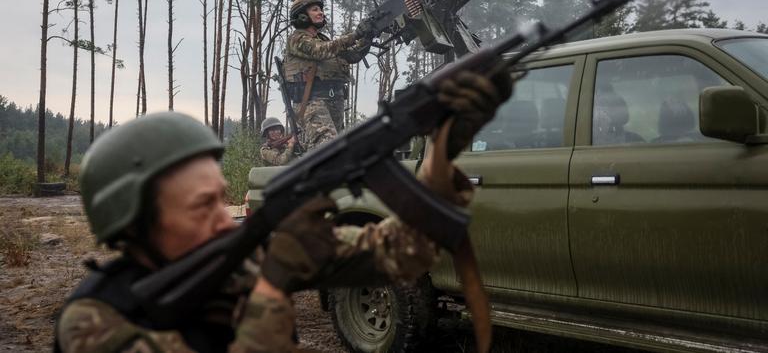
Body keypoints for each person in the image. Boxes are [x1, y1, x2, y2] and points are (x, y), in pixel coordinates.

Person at [54, 69, 511, 352]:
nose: (224, 218)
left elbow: (404, 252)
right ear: (134, 221)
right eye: (202, 206)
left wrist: (442, 151)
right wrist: (274, 288)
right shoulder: (95, 324)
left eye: (221, 197)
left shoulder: (241, 261)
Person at [284, 0, 374, 151]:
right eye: (315, 9)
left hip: (334, 101)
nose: (321, 13)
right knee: (327, 149)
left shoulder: (324, 40)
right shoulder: (297, 39)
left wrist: (369, 35)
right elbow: (320, 51)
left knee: (333, 151)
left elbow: (353, 55)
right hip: (312, 102)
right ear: (302, 16)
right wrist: (356, 34)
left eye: (321, 10)